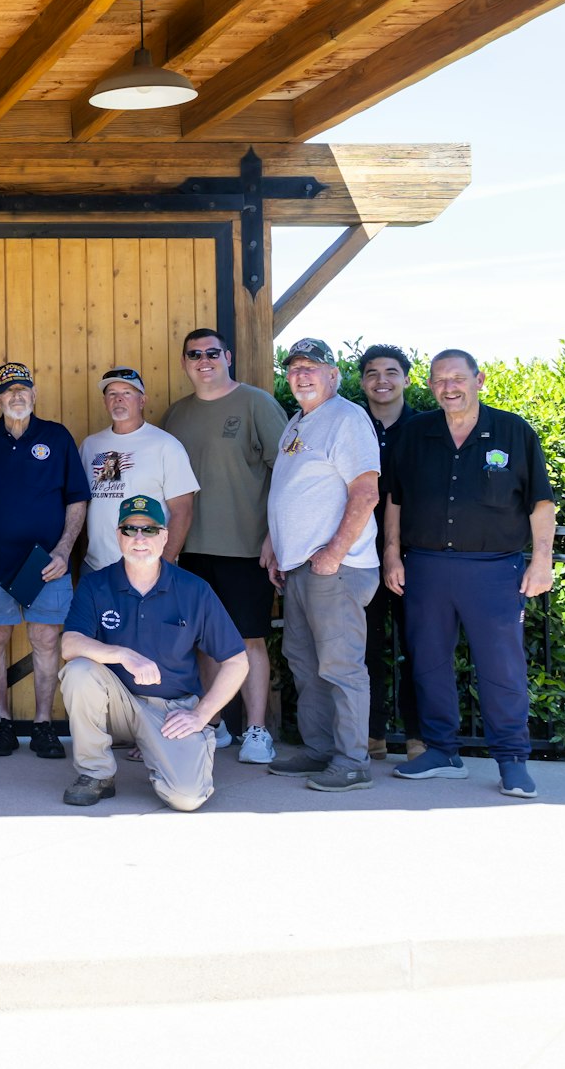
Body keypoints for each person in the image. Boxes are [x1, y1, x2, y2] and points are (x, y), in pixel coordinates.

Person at [383, 349, 557, 798]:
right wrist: (392, 555)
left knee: (503, 668)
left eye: (457, 378)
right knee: (429, 663)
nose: (448, 387)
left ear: (479, 380)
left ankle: (512, 760)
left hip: (494, 571)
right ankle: (443, 752)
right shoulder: (417, 433)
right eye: (439, 380)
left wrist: (542, 561)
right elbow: (395, 500)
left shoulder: (513, 431)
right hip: (426, 568)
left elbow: (541, 502)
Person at [59, 496, 249, 811]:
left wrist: (202, 715)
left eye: (149, 530)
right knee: (80, 672)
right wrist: (123, 654)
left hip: (171, 710)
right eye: (130, 529)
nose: (139, 539)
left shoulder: (193, 589)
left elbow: (237, 661)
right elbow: (70, 644)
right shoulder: (96, 585)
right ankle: (96, 773)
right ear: (117, 535)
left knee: (186, 798)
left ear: (164, 536)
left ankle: (180, 750)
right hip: (116, 704)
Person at [162, 328, 290, 765]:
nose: (203, 360)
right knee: (202, 643)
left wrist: (275, 535)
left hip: (246, 548)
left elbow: (287, 473)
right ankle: (213, 724)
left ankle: (256, 731)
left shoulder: (256, 403)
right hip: (190, 549)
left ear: (227, 356)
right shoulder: (176, 415)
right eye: (194, 354)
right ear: (184, 362)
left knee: (249, 640)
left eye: (212, 353)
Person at [264, 338, 381, 793]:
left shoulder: (346, 419)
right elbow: (289, 492)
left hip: (336, 567)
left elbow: (365, 492)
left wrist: (333, 553)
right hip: (299, 567)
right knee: (304, 663)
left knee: (340, 665)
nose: (301, 375)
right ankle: (320, 750)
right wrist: (275, 543)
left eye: (312, 367)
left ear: (333, 375)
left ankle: (352, 761)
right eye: (294, 368)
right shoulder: (297, 422)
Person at [0, 363, 88, 759]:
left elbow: (76, 498)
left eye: (23, 389)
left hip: (46, 565)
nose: (16, 396)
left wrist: (64, 549)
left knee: (45, 639)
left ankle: (43, 724)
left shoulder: (56, 436)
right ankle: (1, 722)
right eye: (8, 390)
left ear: (34, 395)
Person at [358, 345, 422, 760]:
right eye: (373, 373)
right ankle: (372, 734)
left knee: (419, 646)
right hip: (360, 552)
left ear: (406, 379)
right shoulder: (349, 424)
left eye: (392, 371)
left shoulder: (426, 428)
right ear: (362, 381)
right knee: (365, 648)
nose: (382, 380)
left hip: (415, 554)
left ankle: (419, 736)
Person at [78, 367, 197, 572]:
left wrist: (163, 567)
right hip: (96, 567)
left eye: (127, 393)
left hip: (147, 569)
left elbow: (182, 511)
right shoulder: (90, 446)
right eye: (112, 393)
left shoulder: (166, 446)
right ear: (105, 402)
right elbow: (82, 507)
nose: (119, 399)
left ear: (142, 401)